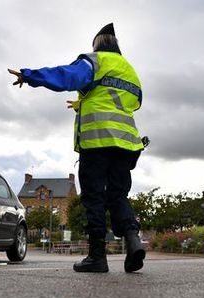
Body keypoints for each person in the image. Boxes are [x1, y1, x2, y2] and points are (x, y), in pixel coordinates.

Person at [9, 23, 145, 273]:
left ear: (97, 45)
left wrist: (30, 76)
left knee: (93, 196)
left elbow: (67, 76)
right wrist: (83, 102)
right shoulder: (130, 70)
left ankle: (97, 257)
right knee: (117, 195)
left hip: (97, 142)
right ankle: (133, 240)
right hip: (126, 143)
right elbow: (127, 102)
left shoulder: (95, 60)